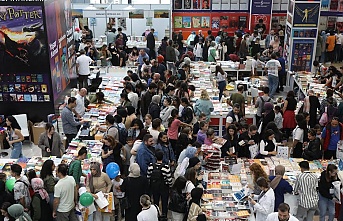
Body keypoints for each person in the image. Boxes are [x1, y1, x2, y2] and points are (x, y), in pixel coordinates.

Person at [147, 151, 172, 217]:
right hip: (164, 187)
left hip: (154, 186)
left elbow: (148, 176)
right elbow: (169, 179)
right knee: (164, 202)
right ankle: (164, 215)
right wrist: (170, 186)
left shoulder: (151, 166)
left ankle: (156, 215)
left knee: (155, 201)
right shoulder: (166, 167)